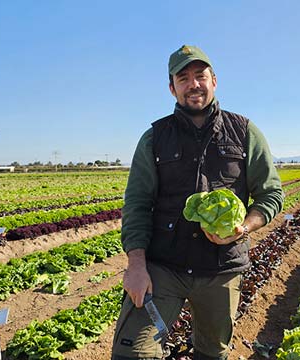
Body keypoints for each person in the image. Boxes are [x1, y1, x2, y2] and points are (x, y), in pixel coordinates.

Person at [111, 44, 283, 360]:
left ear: (214, 80)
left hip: (221, 269)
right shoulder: (155, 137)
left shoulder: (244, 132)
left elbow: (271, 194)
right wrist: (136, 265)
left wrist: (243, 227)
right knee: (133, 353)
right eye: (183, 77)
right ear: (172, 87)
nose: (194, 84)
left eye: (200, 75)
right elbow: (136, 203)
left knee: (212, 353)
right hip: (164, 267)